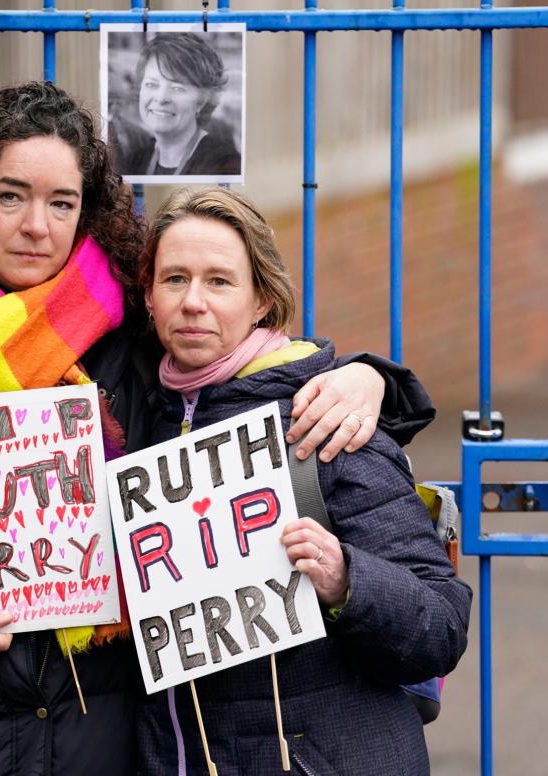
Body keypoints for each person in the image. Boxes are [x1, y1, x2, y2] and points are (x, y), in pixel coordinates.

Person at [0, 81, 432, 775]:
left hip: (95, 740)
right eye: (10, 196)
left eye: (61, 203)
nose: (36, 226)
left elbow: (247, 368)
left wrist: (367, 378)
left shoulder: (129, 333)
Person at [136, 187, 472, 776]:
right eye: (174, 279)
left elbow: (441, 625)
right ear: (147, 295)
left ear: (263, 299)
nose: (193, 302)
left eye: (219, 281)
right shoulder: (136, 422)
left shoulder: (324, 419)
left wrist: (347, 581)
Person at [114, 33, 242, 177]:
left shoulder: (223, 162)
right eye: (151, 84)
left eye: (177, 88)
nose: (161, 98)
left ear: (202, 100)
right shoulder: (136, 160)